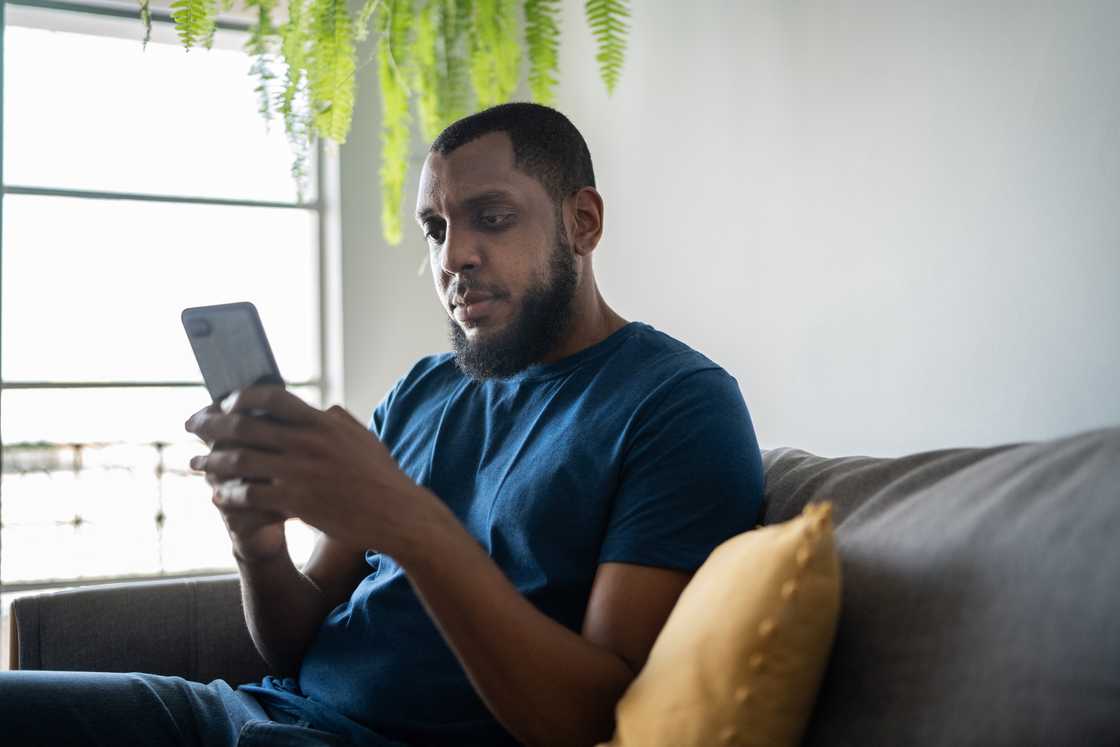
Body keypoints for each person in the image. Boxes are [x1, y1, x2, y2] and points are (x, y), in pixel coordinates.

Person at [0, 103, 763, 746]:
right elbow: (294, 642)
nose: (453, 256)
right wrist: (257, 543)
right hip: (246, 713)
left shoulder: (677, 405)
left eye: (492, 218)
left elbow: (597, 716)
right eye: (435, 227)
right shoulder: (424, 388)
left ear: (582, 223)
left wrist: (410, 524)